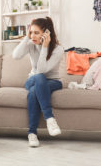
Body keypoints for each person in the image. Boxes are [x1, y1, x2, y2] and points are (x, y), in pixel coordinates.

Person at [12, 17, 64, 147]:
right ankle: (50, 119)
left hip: (53, 81)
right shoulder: (31, 44)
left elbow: (42, 69)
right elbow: (16, 56)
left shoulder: (58, 49)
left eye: (36, 33)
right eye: (31, 32)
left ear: (46, 33)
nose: (32, 36)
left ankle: (32, 133)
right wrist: (26, 37)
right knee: (38, 78)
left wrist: (45, 47)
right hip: (33, 79)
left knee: (35, 90)